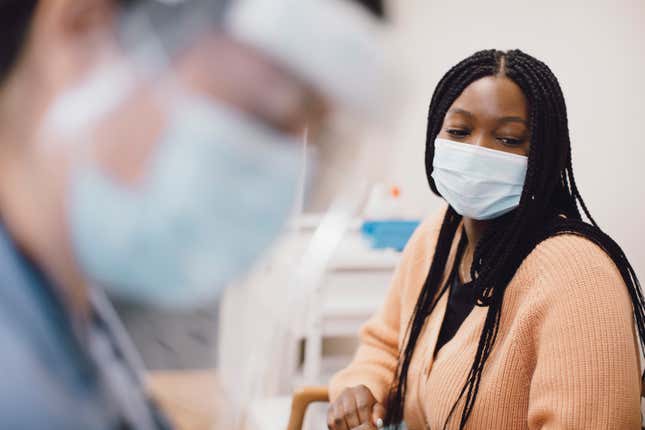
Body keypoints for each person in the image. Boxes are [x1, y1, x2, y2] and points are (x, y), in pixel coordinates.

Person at [0, 0, 329, 428]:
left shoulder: (67, 306)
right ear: (82, 24)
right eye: (261, 116)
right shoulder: (21, 394)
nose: (275, 171)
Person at [327, 49, 644, 429]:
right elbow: (384, 345)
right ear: (435, 136)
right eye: (459, 131)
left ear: (544, 155)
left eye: (509, 139)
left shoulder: (579, 277)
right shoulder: (438, 236)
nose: (478, 152)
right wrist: (361, 387)